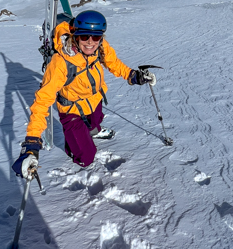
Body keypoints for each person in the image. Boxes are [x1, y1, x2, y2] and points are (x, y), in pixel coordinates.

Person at [12, 10, 157, 178]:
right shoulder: (61, 63)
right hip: (71, 109)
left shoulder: (101, 47)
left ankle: (88, 131)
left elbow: (114, 63)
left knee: (95, 124)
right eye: (84, 36)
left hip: (94, 100)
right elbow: (42, 101)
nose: (90, 42)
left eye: (95, 37)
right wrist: (32, 141)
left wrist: (134, 76)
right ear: (75, 36)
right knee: (87, 157)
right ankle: (72, 145)